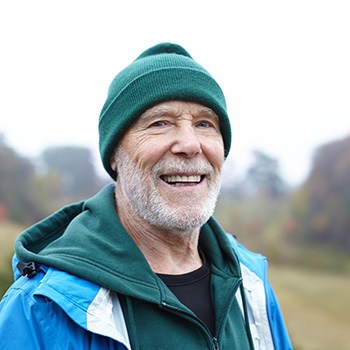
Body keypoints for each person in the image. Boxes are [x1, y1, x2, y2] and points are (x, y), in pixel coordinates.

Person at [0, 42, 292, 349]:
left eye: (204, 123)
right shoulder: (40, 308)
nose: (190, 144)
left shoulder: (251, 284)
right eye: (160, 123)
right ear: (115, 154)